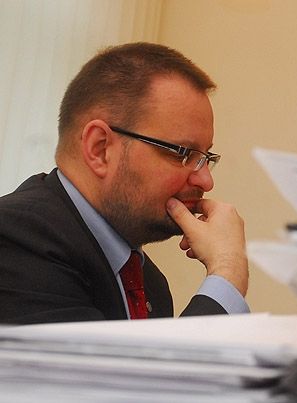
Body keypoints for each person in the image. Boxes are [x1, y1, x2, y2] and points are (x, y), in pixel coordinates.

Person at [0, 42, 250, 324]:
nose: (206, 180)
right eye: (182, 153)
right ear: (100, 149)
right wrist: (227, 272)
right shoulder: (15, 240)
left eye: (206, 158)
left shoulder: (150, 284)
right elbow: (98, 355)